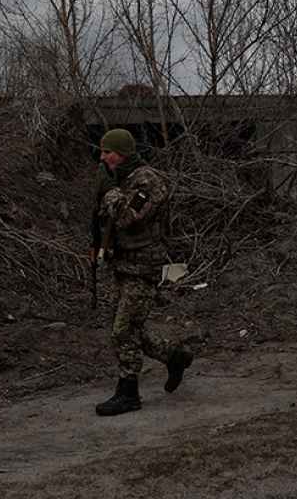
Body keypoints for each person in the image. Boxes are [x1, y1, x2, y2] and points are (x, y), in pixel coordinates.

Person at [93, 129, 193, 416]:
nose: (102, 157)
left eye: (107, 152)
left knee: (124, 330)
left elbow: (127, 218)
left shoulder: (147, 181)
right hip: (122, 264)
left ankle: (129, 393)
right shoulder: (122, 179)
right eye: (101, 151)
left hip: (142, 267)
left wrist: (109, 190)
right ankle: (174, 357)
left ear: (123, 153)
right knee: (123, 327)